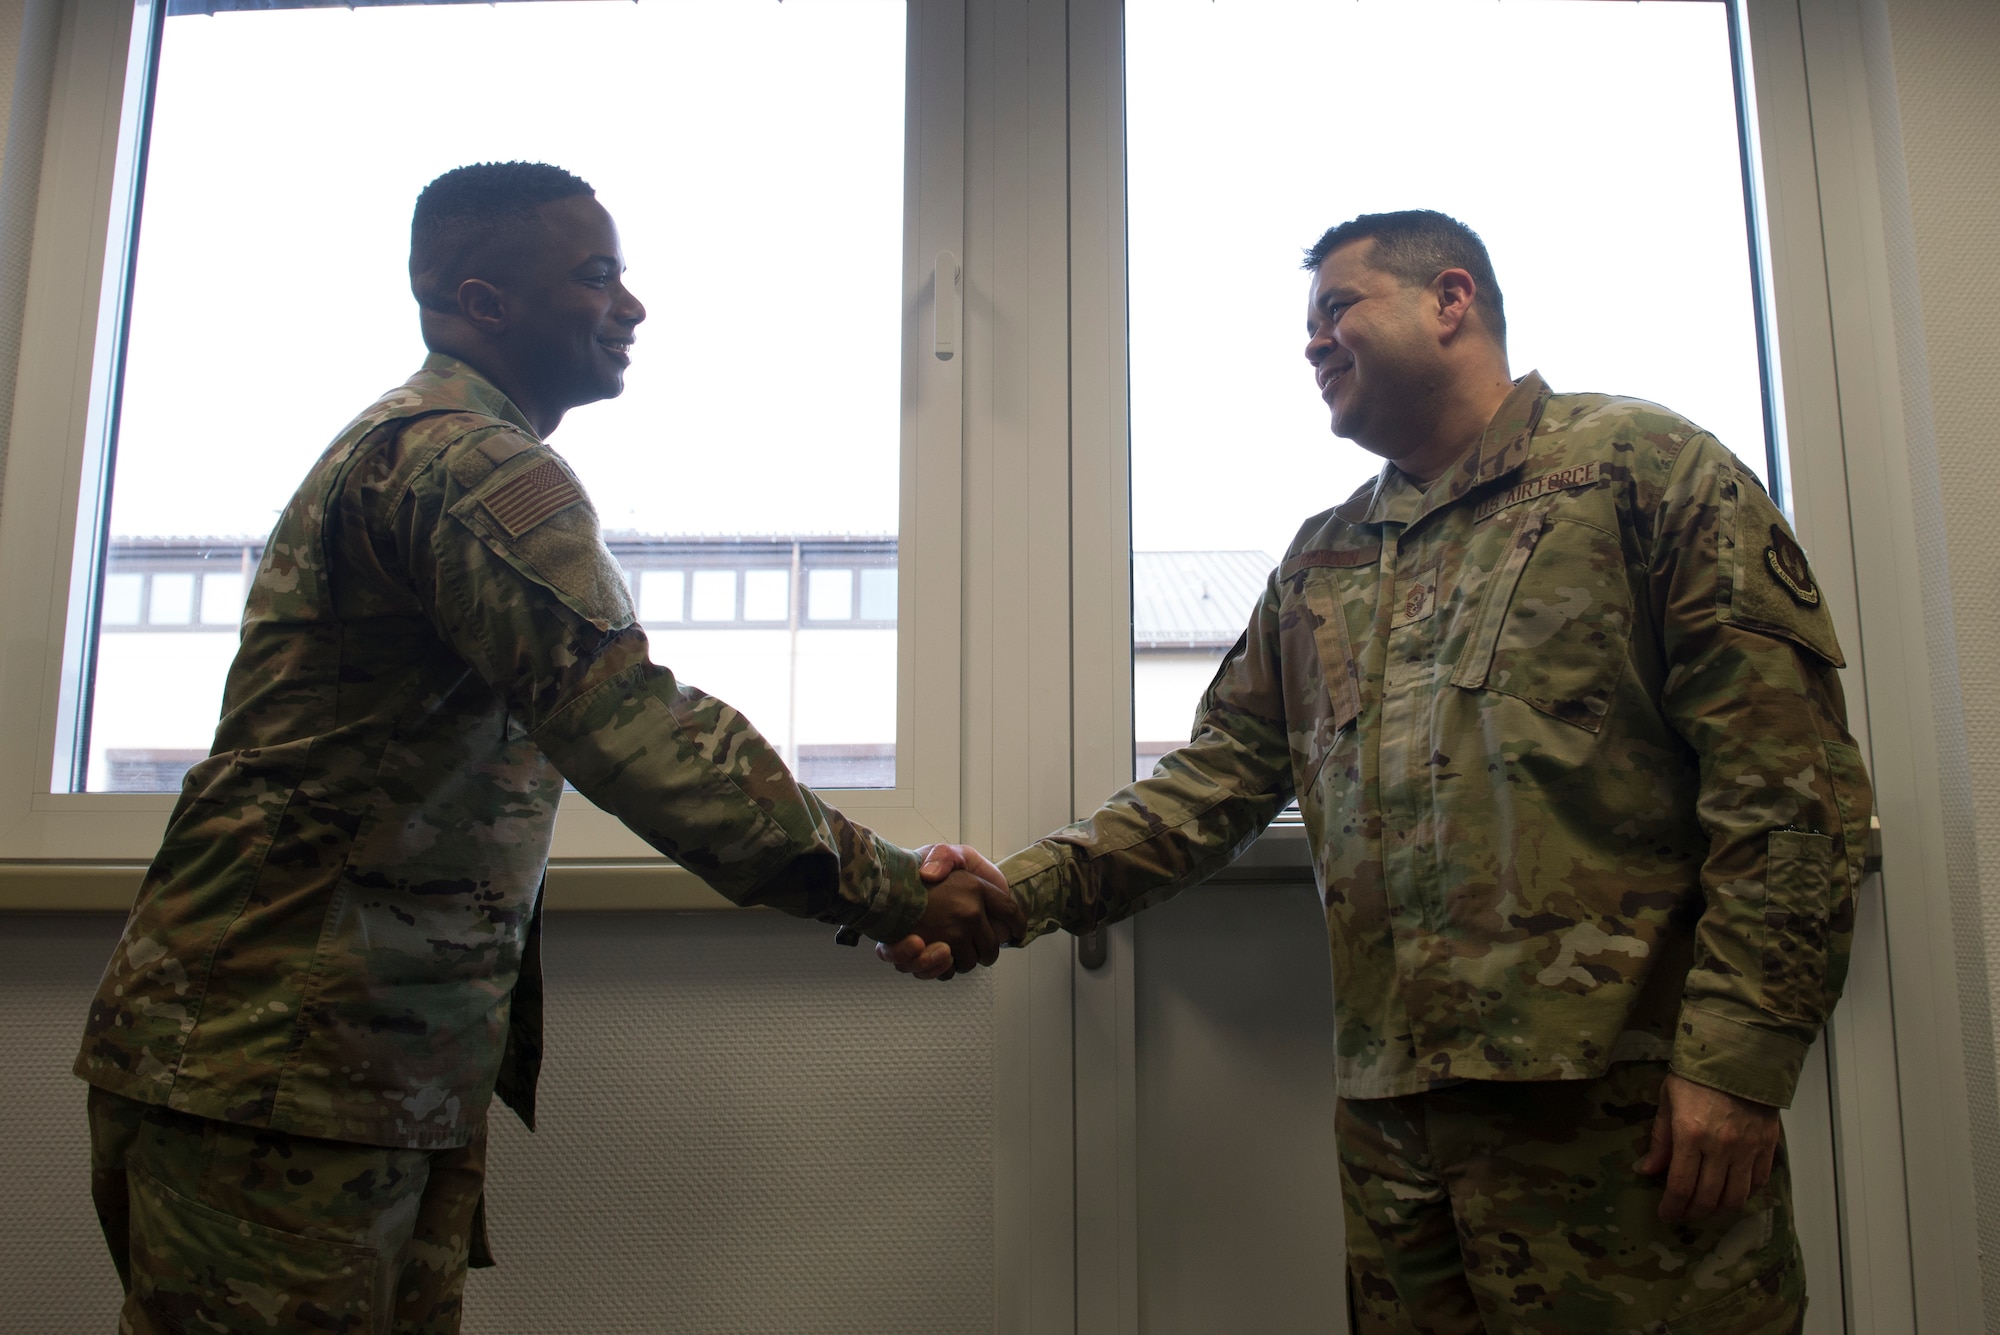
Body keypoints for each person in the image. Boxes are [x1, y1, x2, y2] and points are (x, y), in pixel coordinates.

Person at [75, 161, 1021, 1335]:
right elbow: (633, 727)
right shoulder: (470, 463)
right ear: (483, 303)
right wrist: (892, 888)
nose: (631, 307)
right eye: (595, 276)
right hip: (276, 1057)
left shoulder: (437, 450)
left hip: (341, 1059)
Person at [889, 210, 1872, 1333]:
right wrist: (1016, 894)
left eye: (1335, 309)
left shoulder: (1641, 473)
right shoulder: (1322, 558)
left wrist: (1739, 1062)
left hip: (1626, 1126)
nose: (1311, 343)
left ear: (1448, 300)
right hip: (1395, 1146)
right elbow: (1210, 785)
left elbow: (1788, 795)